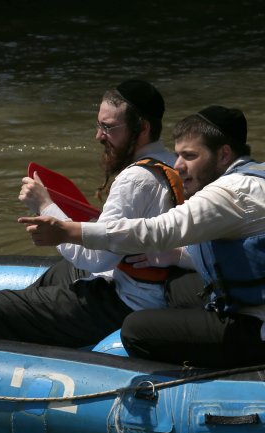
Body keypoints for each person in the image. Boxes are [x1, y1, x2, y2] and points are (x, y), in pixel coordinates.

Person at [0, 79, 185, 348]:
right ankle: (12, 333)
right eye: (99, 125)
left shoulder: (135, 179)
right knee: (61, 272)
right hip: (142, 286)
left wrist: (45, 205)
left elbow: (96, 260)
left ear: (143, 128)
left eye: (108, 128)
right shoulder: (170, 163)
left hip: (127, 302)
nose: (98, 136)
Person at [20, 106, 265, 368]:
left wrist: (67, 230)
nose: (178, 165)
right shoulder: (253, 176)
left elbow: (156, 231)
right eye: (178, 155)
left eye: (190, 156)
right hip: (250, 302)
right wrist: (176, 256)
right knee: (177, 285)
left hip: (256, 328)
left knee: (136, 329)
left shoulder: (230, 194)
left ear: (224, 154)